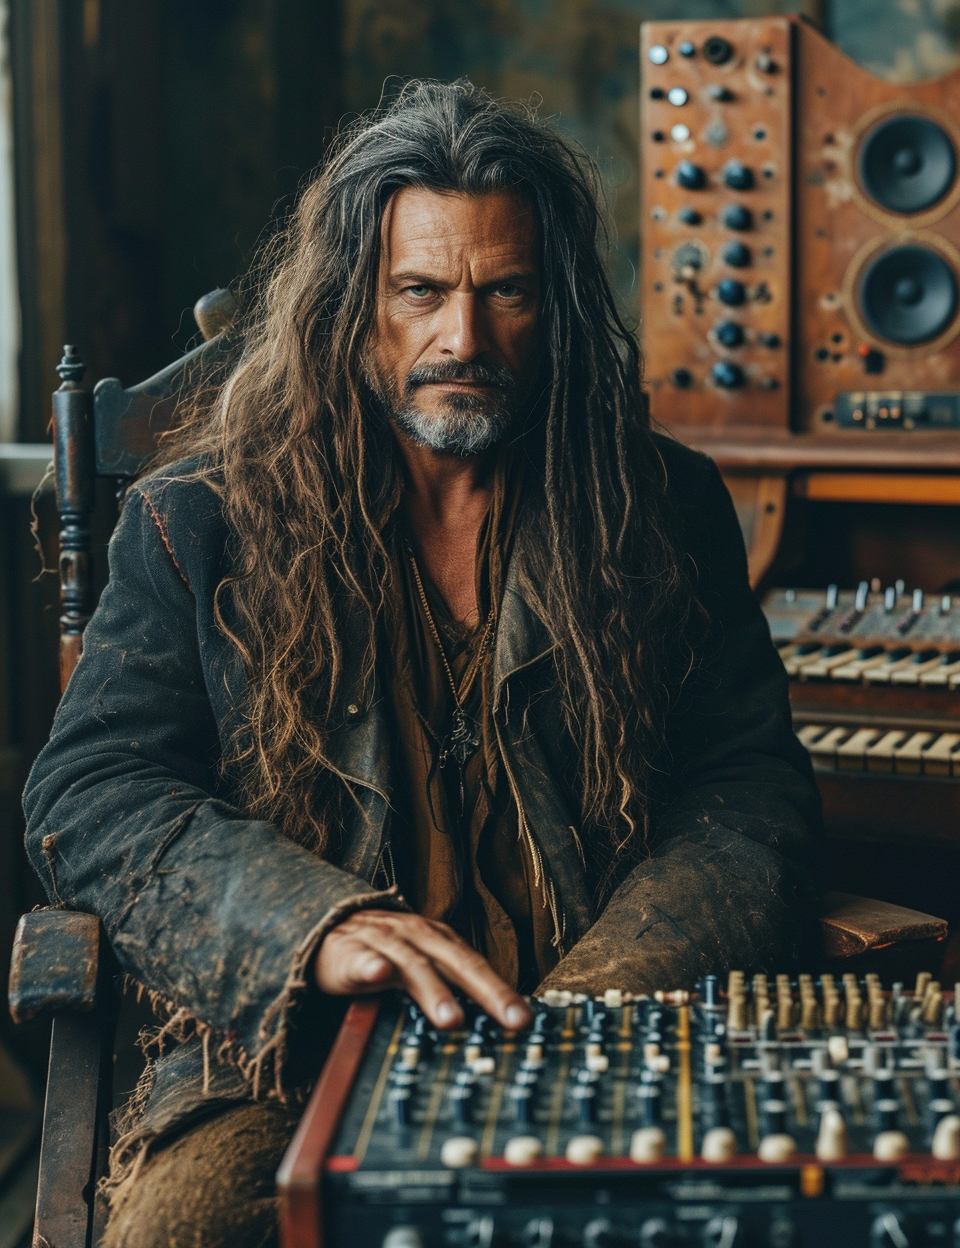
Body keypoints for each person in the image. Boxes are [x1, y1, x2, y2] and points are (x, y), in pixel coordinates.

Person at [23, 80, 821, 1248]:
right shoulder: (198, 520)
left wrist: (607, 995)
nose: (465, 338)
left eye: (506, 293)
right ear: (357, 306)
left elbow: (751, 799)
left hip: (585, 1028)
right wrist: (307, 924)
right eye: (422, 292)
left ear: (552, 306)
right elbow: (89, 793)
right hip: (294, 1046)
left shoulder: (660, 506)